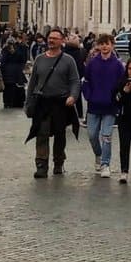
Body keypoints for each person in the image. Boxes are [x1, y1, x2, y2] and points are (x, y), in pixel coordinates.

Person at [26, 28, 82, 178]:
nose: (51, 40)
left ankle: (58, 162)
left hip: (60, 103)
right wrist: (28, 103)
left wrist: (73, 96)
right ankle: (41, 165)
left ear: (62, 41)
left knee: (60, 134)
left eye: (55, 38)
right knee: (41, 133)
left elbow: (75, 81)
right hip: (43, 102)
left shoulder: (68, 60)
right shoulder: (39, 59)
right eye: (50, 38)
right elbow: (32, 83)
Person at [82, 33, 127, 177]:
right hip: (94, 105)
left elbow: (122, 84)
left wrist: (118, 99)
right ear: (98, 46)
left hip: (110, 106)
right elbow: (86, 81)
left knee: (107, 135)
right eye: (102, 44)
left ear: (112, 45)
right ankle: (98, 154)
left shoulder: (118, 65)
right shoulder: (92, 63)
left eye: (107, 44)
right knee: (92, 135)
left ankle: (105, 164)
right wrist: (88, 96)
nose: (105, 47)